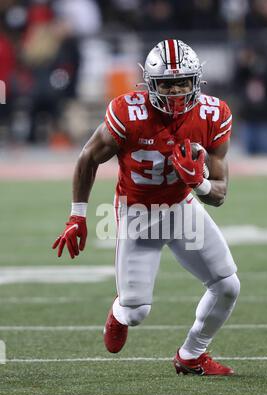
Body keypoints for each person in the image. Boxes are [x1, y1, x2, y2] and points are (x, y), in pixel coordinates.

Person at [52, 39, 240, 376]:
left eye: (183, 81)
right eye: (166, 84)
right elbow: (88, 157)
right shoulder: (129, 112)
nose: (175, 91)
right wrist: (77, 214)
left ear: (196, 81)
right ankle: (120, 310)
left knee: (228, 285)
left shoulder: (213, 114)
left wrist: (199, 183)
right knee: (137, 311)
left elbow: (221, 194)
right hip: (138, 213)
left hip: (182, 208)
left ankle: (191, 355)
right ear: (150, 84)